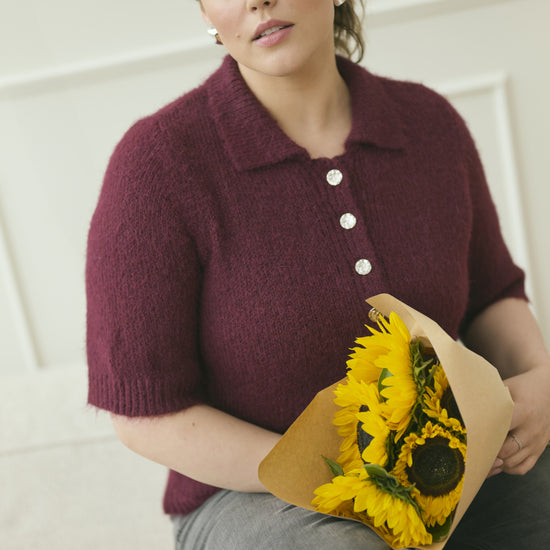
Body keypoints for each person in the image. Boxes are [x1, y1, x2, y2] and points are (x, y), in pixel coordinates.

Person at [85, 0, 550, 548]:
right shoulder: (158, 165)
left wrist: (539, 382)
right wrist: (343, 481)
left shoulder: (430, 125)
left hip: (449, 462)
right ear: (206, 12)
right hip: (254, 494)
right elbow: (144, 415)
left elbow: (491, 294)